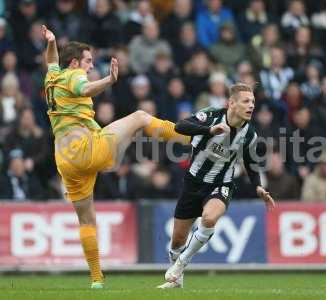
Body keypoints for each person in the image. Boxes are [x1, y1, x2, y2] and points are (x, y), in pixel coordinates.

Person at [42, 25, 190, 289]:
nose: (90, 65)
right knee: (140, 117)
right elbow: (86, 89)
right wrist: (109, 81)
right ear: (75, 62)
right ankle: (192, 137)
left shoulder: (52, 77)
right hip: (86, 151)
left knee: (86, 220)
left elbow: (51, 60)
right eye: (87, 60)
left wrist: (51, 42)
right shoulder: (74, 75)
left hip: (65, 161)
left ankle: (96, 278)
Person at [157, 83, 275, 289]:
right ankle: (177, 281)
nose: (251, 106)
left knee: (210, 218)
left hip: (222, 183)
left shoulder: (249, 134)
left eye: (253, 102)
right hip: (193, 183)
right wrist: (209, 130)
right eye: (246, 101)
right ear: (231, 103)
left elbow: (251, 163)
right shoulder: (211, 115)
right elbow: (180, 126)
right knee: (176, 241)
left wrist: (258, 186)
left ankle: (180, 265)